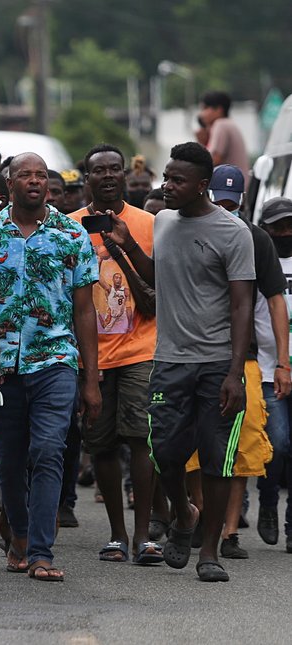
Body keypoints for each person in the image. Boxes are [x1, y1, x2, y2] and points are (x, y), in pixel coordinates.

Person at [104, 142, 255, 583]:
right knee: (165, 453)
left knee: (215, 459)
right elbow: (158, 277)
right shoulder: (165, 221)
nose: (166, 185)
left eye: (176, 180)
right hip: (169, 360)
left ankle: (208, 551)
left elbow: (242, 306)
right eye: (166, 176)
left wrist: (234, 372)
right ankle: (183, 514)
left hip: (216, 364)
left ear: (203, 186)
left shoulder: (233, 232)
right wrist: (128, 245)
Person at [0, 152, 101, 583]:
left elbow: (85, 312)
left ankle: (41, 552)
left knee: (49, 451)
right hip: (2, 367)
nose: (34, 181)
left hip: (55, 360)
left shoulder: (71, 235)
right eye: (25, 175)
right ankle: (21, 535)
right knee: (8, 458)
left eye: (41, 176)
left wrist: (92, 378)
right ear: (8, 183)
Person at [187, 165, 287, 560]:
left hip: (241, 361)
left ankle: (228, 530)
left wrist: (282, 361)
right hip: (190, 353)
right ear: (206, 193)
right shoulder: (184, 228)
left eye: (233, 201)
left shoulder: (255, 237)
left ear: (242, 200)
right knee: (191, 447)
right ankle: (197, 514)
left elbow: (276, 298)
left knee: (241, 448)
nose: (226, 208)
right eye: (219, 200)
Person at [70, 144, 162, 565]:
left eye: (115, 169)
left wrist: (124, 248)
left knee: (141, 438)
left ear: (124, 175)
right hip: (92, 356)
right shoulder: (69, 229)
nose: (108, 176)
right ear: (86, 178)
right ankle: (117, 534)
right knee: (102, 443)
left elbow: (160, 281)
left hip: (141, 349)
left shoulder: (148, 223)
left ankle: (144, 535)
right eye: (99, 171)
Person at [256, 197, 292, 555]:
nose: (285, 233)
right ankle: (268, 502)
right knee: (277, 444)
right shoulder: (259, 259)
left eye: (290, 225)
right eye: (278, 226)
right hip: (269, 369)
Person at [199, 91, 250, 182]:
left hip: (231, 187)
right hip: (238, 185)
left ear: (219, 110)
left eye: (205, 108)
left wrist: (200, 144)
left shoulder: (220, 125)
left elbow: (214, 159)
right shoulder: (229, 124)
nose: (202, 114)